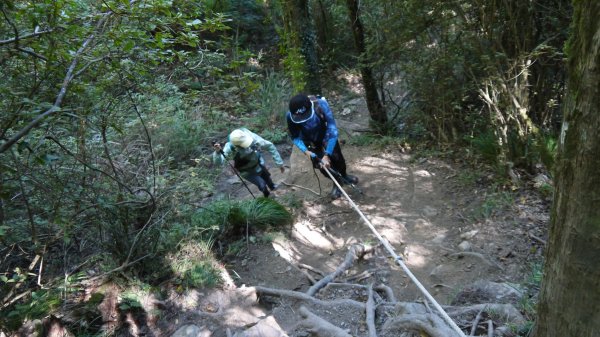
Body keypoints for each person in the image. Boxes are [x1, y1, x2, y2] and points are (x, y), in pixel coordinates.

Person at [286, 94, 358, 199]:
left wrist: (327, 154)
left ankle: (344, 176)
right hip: (310, 141)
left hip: (326, 134)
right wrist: (306, 151)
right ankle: (337, 182)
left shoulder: (321, 105)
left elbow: (332, 131)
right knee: (322, 166)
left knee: (338, 159)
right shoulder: (290, 116)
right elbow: (295, 137)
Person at [213, 128, 285, 198]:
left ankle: (273, 187)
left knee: (267, 177)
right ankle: (267, 195)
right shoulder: (229, 146)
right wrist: (218, 152)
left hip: (258, 163)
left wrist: (279, 163)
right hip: (246, 171)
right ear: (236, 145)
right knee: (261, 184)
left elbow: (269, 146)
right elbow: (219, 162)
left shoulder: (251, 137)